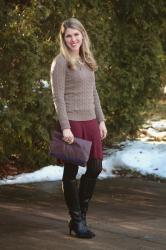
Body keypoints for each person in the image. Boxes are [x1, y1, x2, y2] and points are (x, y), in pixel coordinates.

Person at [50, 17, 107, 239]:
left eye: (76, 34)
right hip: (72, 123)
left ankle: (79, 218)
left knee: (95, 168)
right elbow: (58, 98)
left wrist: (101, 120)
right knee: (71, 171)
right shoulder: (60, 62)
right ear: (63, 39)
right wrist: (65, 128)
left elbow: (93, 93)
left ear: (83, 35)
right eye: (68, 36)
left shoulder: (86, 59)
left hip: (91, 122)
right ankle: (77, 220)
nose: (73, 39)